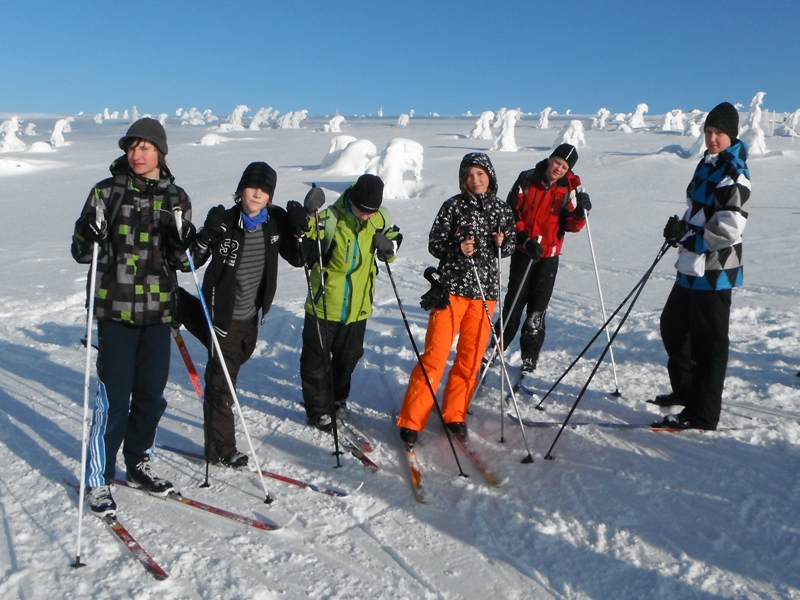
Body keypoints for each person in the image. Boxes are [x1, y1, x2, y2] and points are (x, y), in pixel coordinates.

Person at [71, 118, 195, 517]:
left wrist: (181, 241)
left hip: (158, 313)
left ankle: (138, 462)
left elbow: (181, 261)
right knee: (114, 399)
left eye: (145, 148)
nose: (137, 155)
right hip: (115, 310)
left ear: (160, 152)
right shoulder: (105, 193)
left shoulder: (176, 197)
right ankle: (98, 477)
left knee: (150, 396)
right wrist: (87, 232)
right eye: (132, 147)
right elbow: (80, 252)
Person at [178, 162, 305, 467]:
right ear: (241, 190)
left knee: (239, 357)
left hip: (250, 317)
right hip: (222, 317)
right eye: (252, 187)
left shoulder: (275, 222)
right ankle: (221, 449)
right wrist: (206, 236)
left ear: (270, 195)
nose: (257, 194)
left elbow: (300, 260)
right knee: (222, 384)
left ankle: (177, 305)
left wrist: (301, 228)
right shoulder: (225, 220)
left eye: (264, 190)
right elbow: (188, 263)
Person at [397, 153, 515, 445]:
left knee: (470, 359)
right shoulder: (453, 206)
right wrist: (457, 246)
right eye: (469, 175)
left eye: (480, 174)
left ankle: (455, 414)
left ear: (490, 176)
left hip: (484, 294)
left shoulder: (502, 209)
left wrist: (503, 242)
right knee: (435, 356)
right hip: (451, 291)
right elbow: (435, 243)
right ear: (463, 180)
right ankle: (412, 419)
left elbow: (511, 244)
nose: (475, 180)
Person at [652, 101, 750, 430]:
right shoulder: (706, 165)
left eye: (719, 133)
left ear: (731, 135)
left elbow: (730, 228)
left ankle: (703, 413)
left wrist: (691, 239)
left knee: (709, 343)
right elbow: (697, 211)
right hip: (691, 266)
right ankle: (686, 390)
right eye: (708, 131)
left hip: (716, 270)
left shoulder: (734, 171)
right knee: (673, 327)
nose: (712, 138)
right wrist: (679, 229)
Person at [299, 174, 402, 431]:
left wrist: (389, 247)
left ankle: (337, 399)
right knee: (315, 361)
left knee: (349, 358)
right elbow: (304, 236)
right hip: (325, 304)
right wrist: (308, 213)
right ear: (351, 200)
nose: (366, 216)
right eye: (362, 210)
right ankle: (318, 410)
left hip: (358, 307)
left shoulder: (380, 219)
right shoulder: (331, 219)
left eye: (371, 212)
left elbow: (395, 237)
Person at [487, 143, 591, 380]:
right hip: (524, 252)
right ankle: (495, 349)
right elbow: (511, 212)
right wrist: (523, 238)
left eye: (564, 167)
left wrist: (581, 213)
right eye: (557, 162)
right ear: (550, 159)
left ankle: (529, 357)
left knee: (537, 311)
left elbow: (571, 225)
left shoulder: (569, 189)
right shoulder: (527, 178)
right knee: (513, 305)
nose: (558, 169)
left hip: (548, 257)